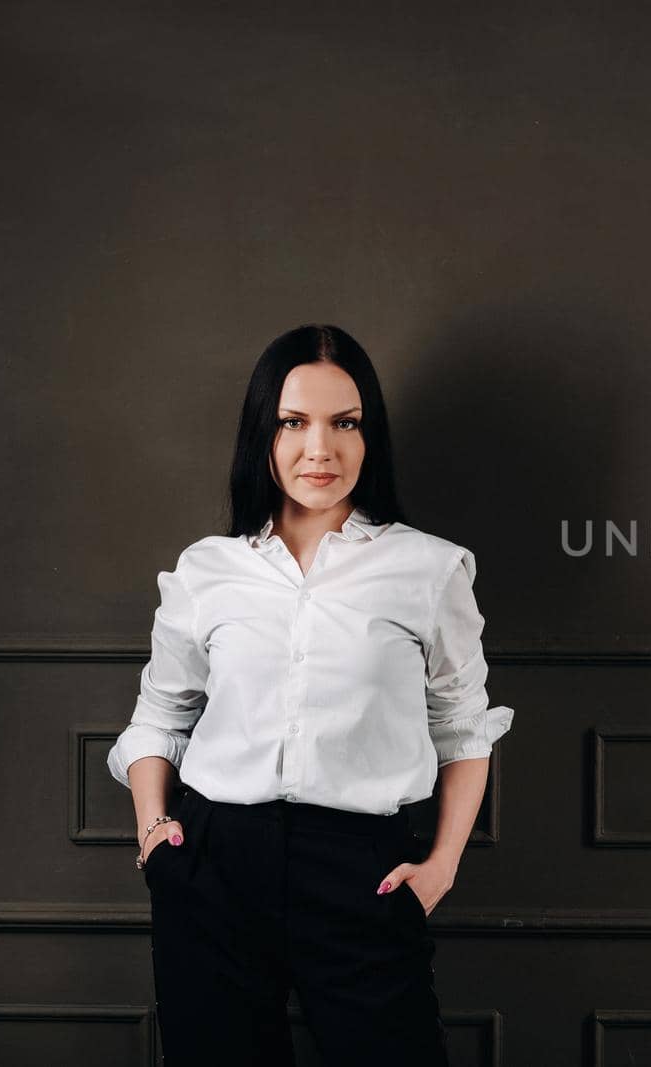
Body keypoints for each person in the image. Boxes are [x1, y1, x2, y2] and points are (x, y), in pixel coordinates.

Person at [107, 324, 514, 1066]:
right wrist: (153, 829)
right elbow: (160, 715)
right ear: (263, 432)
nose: (319, 448)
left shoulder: (428, 568)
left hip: (359, 872)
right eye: (293, 422)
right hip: (213, 866)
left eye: (344, 422)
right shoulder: (208, 570)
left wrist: (443, 863)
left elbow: (462, 726)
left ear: (370, 434)